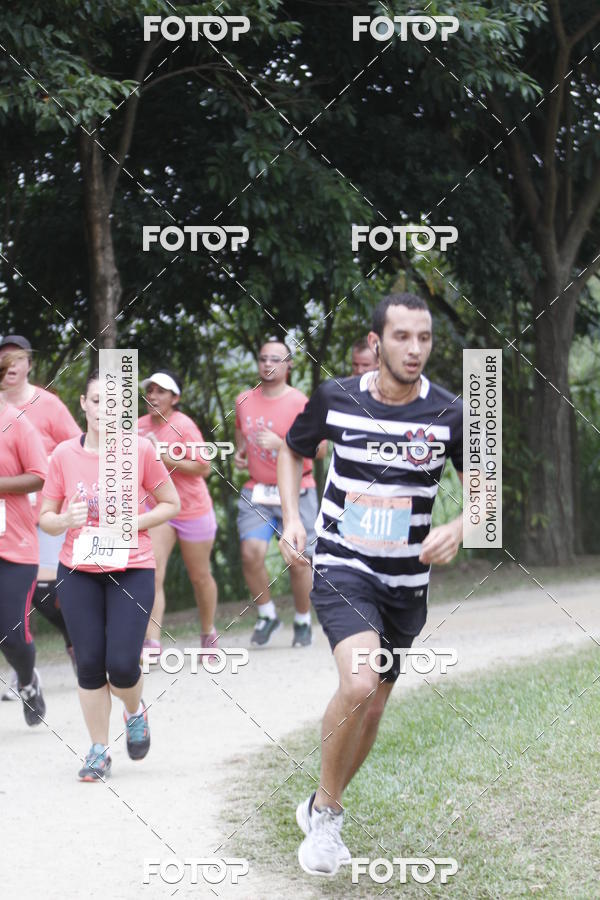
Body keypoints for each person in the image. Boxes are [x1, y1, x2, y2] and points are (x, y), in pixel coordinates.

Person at [277, 294, 464, 875]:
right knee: (358, 686)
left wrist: (459, 525)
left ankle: (320, 802)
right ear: (377, 341)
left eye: (425, 338)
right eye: (402, 337)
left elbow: (487, 491)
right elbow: (292, 449)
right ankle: (329, 818)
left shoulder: (451, 413)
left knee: (375, 706)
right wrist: (292, 517)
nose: (415, 349)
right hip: (342, 564)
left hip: (405, 582)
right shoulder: (335, 398)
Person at [39, 371, 180, 781]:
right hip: (78, 569)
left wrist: (133, 522)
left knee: (121, 665)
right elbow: (46, 518)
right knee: (89, 664)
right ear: (83, 404)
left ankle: (134, 711)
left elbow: (169, 503)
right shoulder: (64, 455)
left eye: (114, 403)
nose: (105, 410)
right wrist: (65, 518)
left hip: (131, 568)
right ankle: (98, 750)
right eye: (98, 400)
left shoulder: (139, 450)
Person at [0, 335, 80, 701]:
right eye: (4, 359)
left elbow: (77, 446)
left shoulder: (47, 405)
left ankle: (75, 639)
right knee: (16, 600)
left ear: (29, 363)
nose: (10, 365)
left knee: (45, 594)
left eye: (17, 358)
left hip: (47, 509)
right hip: (10, 516)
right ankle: (23, 675)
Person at [235, 338, 326, 648]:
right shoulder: (243, 400)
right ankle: (267, 614)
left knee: (298, 559)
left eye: (275, 358)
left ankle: (302, 620)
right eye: (262, 357)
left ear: (289, 365)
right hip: (257, 491)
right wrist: (239, 453)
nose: (267, 363)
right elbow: (241, 435)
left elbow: (322, 449)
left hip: (298, 490)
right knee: (250, 554)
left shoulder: (301, 402)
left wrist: (283, 444)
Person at [138, 370, 219, 660]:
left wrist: (163, 454)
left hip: (192, 509)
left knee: (200, 576)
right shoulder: (138, 426)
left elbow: (203, 467)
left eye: (161, 391)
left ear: (175, 398)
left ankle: (208, 633)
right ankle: (152, 642)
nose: (153, 396)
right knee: (152, 574)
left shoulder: (184, 425)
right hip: (159, 508)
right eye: (150, 391)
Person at [0, 350, 48, 725]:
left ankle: (28, 682)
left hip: (14, 546)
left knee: (11, 636)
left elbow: (39, 475)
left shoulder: (15, 423)